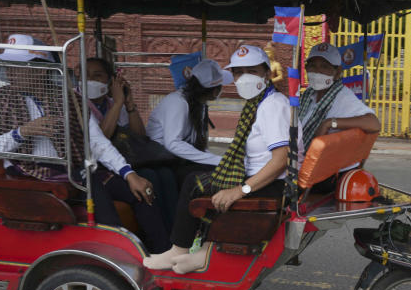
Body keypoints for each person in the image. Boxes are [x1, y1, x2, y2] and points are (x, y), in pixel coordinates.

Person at [0, 34, 170, 253]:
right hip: (31, 173)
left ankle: (160, 254)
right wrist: (22, 132)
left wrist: (129, 173)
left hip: (75, 169)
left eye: (17, 66)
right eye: (8, 66)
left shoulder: (71, 100)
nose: (10, 72)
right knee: (92, 186)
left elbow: (97, 143)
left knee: (142, 191)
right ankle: (116, 255)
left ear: (41, 69)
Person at [143, 45, 303, 274]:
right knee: (205, 178)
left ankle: (178, 250)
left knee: (192, 182)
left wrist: (240, 190)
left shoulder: (272, 105)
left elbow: (280, 161)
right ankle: (205, 251)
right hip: (259, 175)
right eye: (238, 72)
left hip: (272, 184)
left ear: (266, 73)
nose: (244, 78)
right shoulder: (259, 102)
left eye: (252, 71)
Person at [85, 56, 178, 231]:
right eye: (86, 75)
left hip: (125, 157)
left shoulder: (111, 103)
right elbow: (100, 139)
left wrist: (129, 104)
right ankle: (158, 236)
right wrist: (118, 103)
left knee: (165, 174)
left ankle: (175, 229)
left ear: (111, 81)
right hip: (100, 164)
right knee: (149, 176)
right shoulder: (80, 103)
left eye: (97, 76)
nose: (91, 80)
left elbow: (139, 137)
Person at [298, 42, 380, 188]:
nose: (317, 72)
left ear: (337, 72)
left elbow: (373, 123)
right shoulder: (308, 94)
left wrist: (330, 123)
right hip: (302, 161)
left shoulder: (342, 97)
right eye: (312, 66)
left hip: (323, 176)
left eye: (324, 67)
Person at [145, 56, 231, 183]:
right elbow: (173, 143)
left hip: (175, 159)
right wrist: (217, 160)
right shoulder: (178, 102)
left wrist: (217, 159)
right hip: (159, 160)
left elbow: (195, 145)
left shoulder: (198, 104)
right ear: (214, 91)